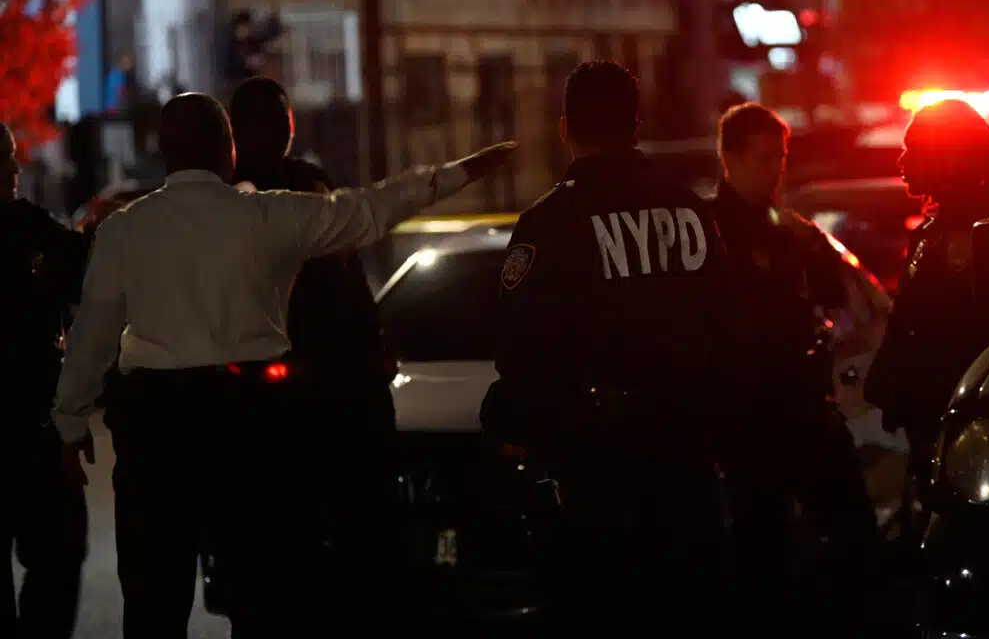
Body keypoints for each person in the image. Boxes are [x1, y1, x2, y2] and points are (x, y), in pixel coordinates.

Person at [51, 92, 516, 638]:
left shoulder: (124, 231)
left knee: (155, 604)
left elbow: (91, 338)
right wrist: (459, 173)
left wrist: (69, 421)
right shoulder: (266, 216)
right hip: (248, 427)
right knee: (262, 601)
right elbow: (367, 210)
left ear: (163, 152)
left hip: (157, 431)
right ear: (226, 150)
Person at [479, 62, 738, 636]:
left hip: (599, 471)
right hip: (687, 464)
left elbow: (522, 353)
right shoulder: (691, 212)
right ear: (636, 123)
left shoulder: (552, 224)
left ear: (566, 128)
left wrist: (517, 427)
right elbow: (729, 329)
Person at [228, 76, 396, 635]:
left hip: (311, 409)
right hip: (283, 415)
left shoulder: (302, 187)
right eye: (267, 121)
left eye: (278, 120)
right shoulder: (241, 198)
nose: (276, 131)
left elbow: (351, 296)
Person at [710, 102, 875, 634]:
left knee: (851, 529)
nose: (774, 169)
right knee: (763, 549)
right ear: (729, 159)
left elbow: (835, 298)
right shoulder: (712, 236)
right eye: (762, 159)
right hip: (750, 414)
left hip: (804, 402)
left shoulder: (789, 229)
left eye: (779, 157)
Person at [865, 100, 989, 467]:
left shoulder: (985, 233)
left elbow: (965, 335)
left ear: (946, 156)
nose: (901, 162)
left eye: (913, 150)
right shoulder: (937, 230)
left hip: (966, 422)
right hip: (934, 416)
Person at [0, 123, 90, 639]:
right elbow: (85, 273)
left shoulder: (29, 227)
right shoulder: (25, 228)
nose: (15, 169)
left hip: (35, 428)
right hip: (33, 430)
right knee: (59, 553)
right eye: (3, 160)